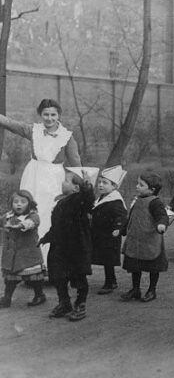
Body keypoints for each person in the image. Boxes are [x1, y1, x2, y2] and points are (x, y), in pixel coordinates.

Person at [0, 99, 81, 266]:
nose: (49, 118)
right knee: (30, 212)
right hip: (34, 176)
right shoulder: (33, 130)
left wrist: (79, 185)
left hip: (53, 179)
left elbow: (76, 163)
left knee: (49, 214)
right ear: (40, 115)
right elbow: (12, 124)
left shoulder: (67, 136)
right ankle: (30, 264)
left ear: (58, 115)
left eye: (53, 114)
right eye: (46, 114)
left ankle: (52, 264)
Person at [39, 167, 97, 321]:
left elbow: (88, 199)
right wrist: (46, 237)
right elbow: (56, 225)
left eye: (66, 180)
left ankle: (80, 304)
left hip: (76, 248)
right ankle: (64, 302)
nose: (62, 182)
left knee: (78, 277)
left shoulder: (78, 200)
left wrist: (87, 186)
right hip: (59, 248)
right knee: (58, 276)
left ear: (76, 188)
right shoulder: (60, 202)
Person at [120, 173, 169, 303]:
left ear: (152, 189)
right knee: (135, 265)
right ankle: (135, 289)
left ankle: (152, 290)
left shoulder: (155, 202)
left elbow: (162, 216)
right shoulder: (137, 200)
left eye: (141, 185)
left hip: (150, 241)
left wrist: (161, 224)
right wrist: (123, 230)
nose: (137, 186)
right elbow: (131, 217)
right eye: (138, 183)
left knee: (153, 266)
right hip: (136, 240)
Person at [0, 190, 46, 308]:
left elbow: (30, 223)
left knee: (34, 278)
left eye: (22, 201)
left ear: (29, 204)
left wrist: (19, 225)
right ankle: (7, 298)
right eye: (15, 202)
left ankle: (39, 294)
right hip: (12, 256)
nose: (18, 204)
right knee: (10, 279)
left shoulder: (33, 216)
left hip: (28, 254)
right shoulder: (7, 216)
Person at [91, 166, 128, 295]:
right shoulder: (102, 198)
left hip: (110, 235)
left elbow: (122, 216)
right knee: (104, 258)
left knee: (108, 259)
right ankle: (110, 281)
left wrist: (118, 227)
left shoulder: (115, 201)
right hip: (101, 234)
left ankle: (111, 282)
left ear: (114, 186)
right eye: (99, 182)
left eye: (105, 183)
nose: (100, 185)